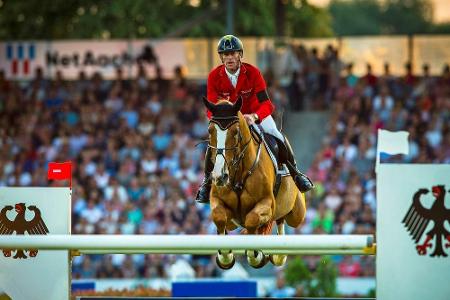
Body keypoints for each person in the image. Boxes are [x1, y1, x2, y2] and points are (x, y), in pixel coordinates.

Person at [196, 34, 314, 204]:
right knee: (213, 145)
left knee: (276, 134)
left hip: (254, 116)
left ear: (240, 55)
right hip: (228, 121)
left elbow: (267, 104)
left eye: (233, 54)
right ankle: (207, 183)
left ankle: (296, 174)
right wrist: (219, 120)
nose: (229, 58)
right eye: (225, 54)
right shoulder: (214, 76)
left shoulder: (253, 73)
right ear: (221, 57)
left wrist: (254, 116)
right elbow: (211, 108)